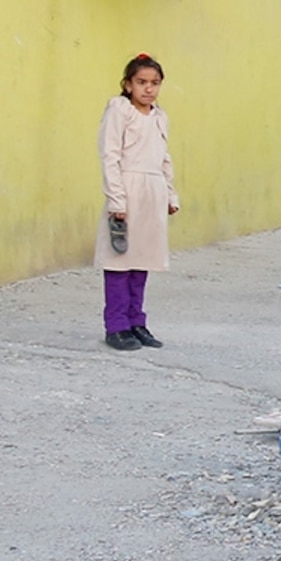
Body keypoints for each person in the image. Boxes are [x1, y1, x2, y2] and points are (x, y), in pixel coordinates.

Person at [97, 54, 177, 351]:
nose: (148, 89)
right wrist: (117, 197)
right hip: (127, 191)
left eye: (154, 83)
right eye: (141, 82)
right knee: (120, 259)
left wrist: (170, 193)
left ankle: (136, 321)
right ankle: (116, 325)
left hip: (152, 191)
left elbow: (163, 157)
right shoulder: (120, 111)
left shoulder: (159, 117)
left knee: (142, 258)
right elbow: (110, 154)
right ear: (128, 84)